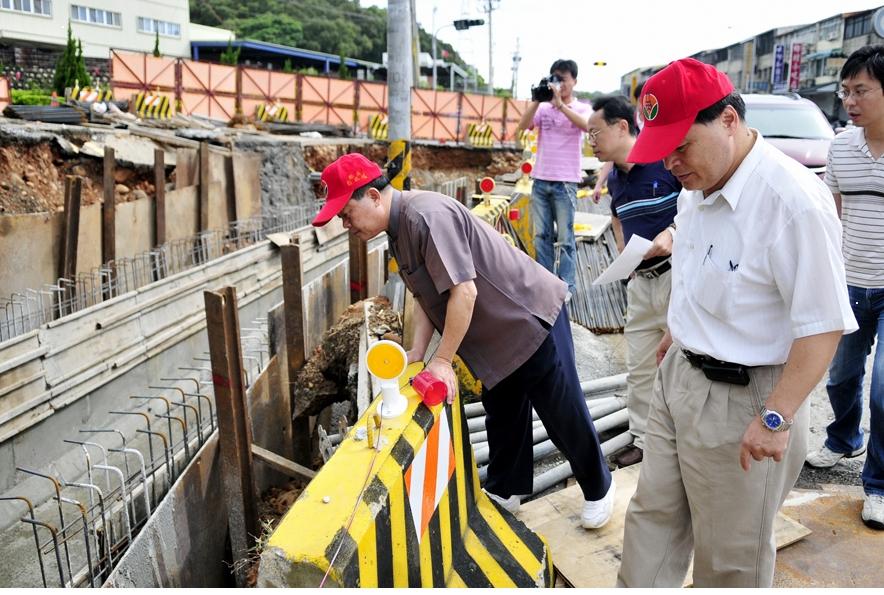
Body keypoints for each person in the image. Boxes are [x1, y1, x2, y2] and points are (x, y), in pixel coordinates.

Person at [616, 58, 857, 587]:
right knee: (651, 520)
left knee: (730, 558)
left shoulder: (792, 201)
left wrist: (776, 417)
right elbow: (699, 260)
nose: (672, 163)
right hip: (679, 377)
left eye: (682, 146)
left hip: (745, 398)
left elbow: (823, 325)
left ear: (728, 119)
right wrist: (679, 328)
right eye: (663, 150)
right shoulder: (696, 186)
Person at [311, 152, 615, 529]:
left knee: (561, 412)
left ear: (373, 196)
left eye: (346, 214)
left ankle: (599, 486)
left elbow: (464, 292)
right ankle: (507, 489)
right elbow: (426, 296)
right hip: (493, 335)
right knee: (503, 412)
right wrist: (419, 351)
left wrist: (442, 360)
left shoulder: (426, 216)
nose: (345, 225)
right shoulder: (397, 233)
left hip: (527, 319)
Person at [804, 45, 884, 531]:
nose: (850, 101)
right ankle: (843, 438)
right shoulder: (840, 148)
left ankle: (878, 485)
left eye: (861, 91)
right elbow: (831, 214)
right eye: (845, 91)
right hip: (850, 280)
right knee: (839, 377)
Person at [586, 95, 681, 467]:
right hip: (641, 284)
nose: (591, 140)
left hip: (677, 277)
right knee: (640, 369)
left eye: (596, 132)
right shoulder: (616, 179)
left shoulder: (666, 162)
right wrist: (622, 252)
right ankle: (643, 441)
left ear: (622, 126)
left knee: (683, 366)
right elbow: (617, 215)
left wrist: (674, 232)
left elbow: (699, 206)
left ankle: (683, 442)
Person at [517, 59, 591, 298]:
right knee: (542, 236)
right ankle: (545, 285)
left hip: (566, 182)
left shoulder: (581, 108)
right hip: (541, 179)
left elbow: (587, 126)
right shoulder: (543, 108)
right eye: (555, 78)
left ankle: (567, 286)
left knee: (566, 238)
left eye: (563, 79)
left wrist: (560, 106)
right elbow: (523, 126)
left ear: (574, 81)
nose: (559, 83)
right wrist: (537, 99)